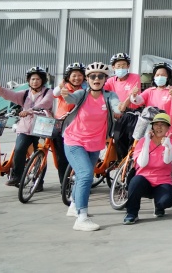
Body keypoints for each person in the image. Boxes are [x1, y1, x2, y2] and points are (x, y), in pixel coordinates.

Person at [60, 61, 122, 231]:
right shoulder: (81, 94)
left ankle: (73, 205)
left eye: (100, 76)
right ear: (87, 79)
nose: (97, 79)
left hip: (95, 144)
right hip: (74, 141)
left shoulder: (110, 96)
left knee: (82, 176)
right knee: (86, 175)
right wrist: (64, 93)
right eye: (93, 76)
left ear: (105, 79)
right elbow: (70, 98)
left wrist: (127, 102)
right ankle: (82, 217)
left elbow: (118, 108)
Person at [0, 66, 54, 187]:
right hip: (25, 128)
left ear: (42, 80)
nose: (35, 81)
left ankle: (38, 182)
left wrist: (29, 110)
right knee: (19, 149)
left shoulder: (49, 92)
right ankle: (17, 176)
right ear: (28, 81)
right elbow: (12, 95)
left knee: (40, 155)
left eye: (37, 79)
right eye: (32, 79)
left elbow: (44, 104)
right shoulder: (25, 93)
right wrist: (0, 90)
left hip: (41, 128)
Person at [123, 112, 172, 224]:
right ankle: (132, 213)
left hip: (162, 181)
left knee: (166, 201)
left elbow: (167, 160)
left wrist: (167, 146)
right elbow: (142, 163)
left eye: (163, 124)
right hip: (144, 180)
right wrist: (147, 141)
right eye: (156, 124)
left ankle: (159, 205)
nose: (159, 127)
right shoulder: (143, 141)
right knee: (135, 181)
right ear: (152, 126)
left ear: (168, 127)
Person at [52, 61, 86, 183]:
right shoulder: (65, 88)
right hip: (61, 125)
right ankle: (64, 183)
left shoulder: (86, 89)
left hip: (79, 127)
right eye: (74, 75)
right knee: (62, 157)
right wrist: (61, 86)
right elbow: (55, 93)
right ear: (68, 77)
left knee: (80, 156)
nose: (77, 78)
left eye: (80, 75)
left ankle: (81, 180)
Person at [105, 52, 142, 160]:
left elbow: (132, 94)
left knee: (132, 138)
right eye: (118, 66)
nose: (121, 68)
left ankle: (131, 161)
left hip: (131, 113)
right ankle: (120, 160)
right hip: (115, 114)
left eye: (123, 65)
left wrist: (122, 108)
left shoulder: (134, 77)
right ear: (113, 67)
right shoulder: (110, 80)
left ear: (128, 66)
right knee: (117, 138)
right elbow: (103, 92)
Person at [130, 62, 172, 135]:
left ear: (168, 77)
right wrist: (134, 95)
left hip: (166, 127)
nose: (160, 77)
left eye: (163, 75)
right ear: (154, 77)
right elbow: (137, 101)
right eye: (157, 75)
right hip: (150, 127)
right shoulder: (149, 91)